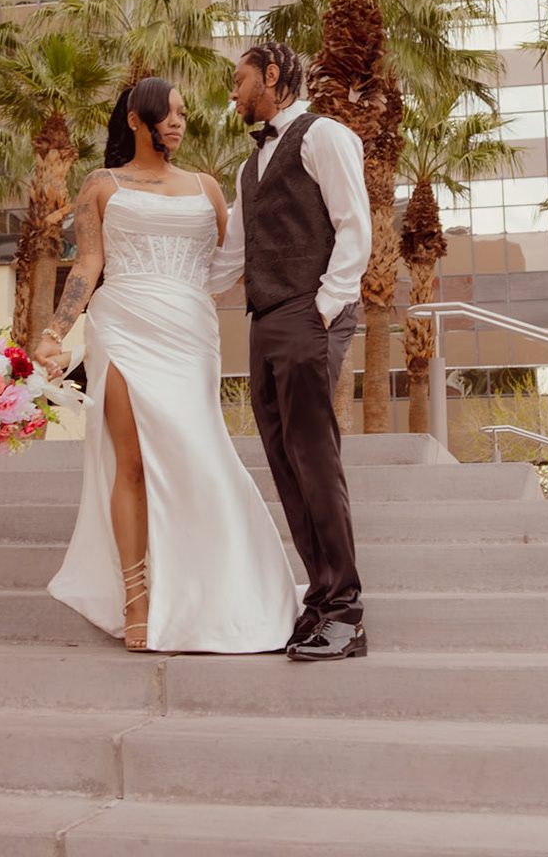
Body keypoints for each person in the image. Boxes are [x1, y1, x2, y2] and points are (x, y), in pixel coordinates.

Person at [38, 76, 299, 653]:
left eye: (183, 112)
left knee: (202, 456)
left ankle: (219, 589)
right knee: (130, 463)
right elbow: (87, 263)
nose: (178, 121)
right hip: (121, 323)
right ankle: (137, 600)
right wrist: (56, 334)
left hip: (189, 331)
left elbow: (234, 260)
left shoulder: (207, 187)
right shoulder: (100, 184)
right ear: (137, 119)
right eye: (168, 112)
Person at [206, 43, 373, 661]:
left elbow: (354, 225)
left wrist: (325, 306)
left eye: (239, 80)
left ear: (271, 76)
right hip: (265, 320)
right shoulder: (248, 169)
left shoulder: (324, 134)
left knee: (313, 457)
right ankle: (321, 598)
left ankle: (346, 612)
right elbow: (229, 259)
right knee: (284, 460)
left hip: (309, 311)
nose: (233, 93)